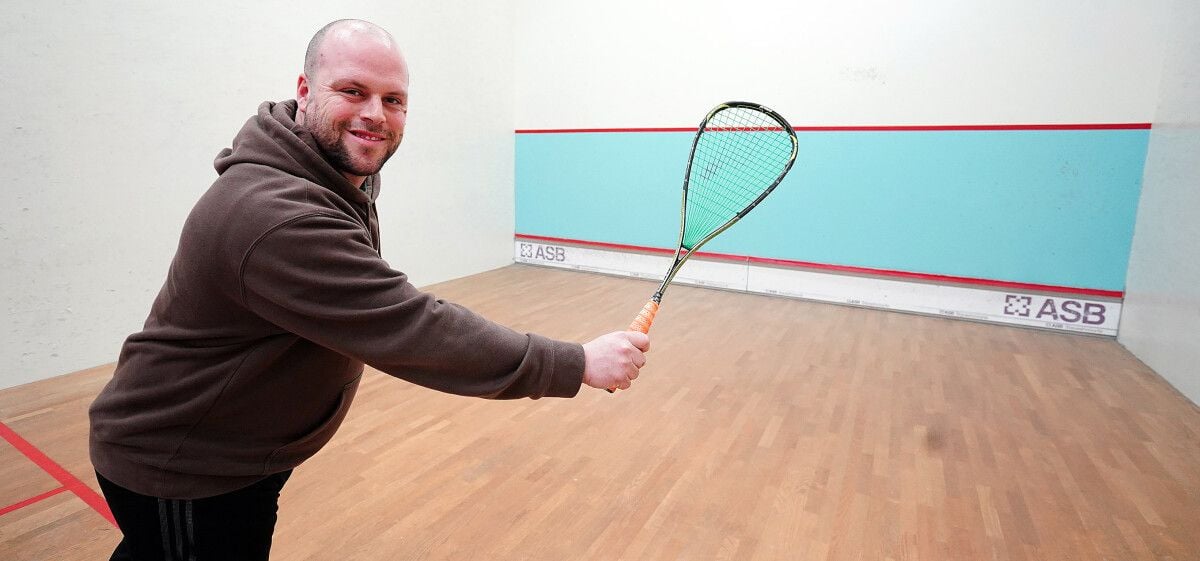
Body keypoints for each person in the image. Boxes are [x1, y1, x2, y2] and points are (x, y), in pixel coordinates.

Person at [88, 19, 649, 561]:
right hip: (186, 466)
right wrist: (576, 363)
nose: (375, 115)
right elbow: (413, 328)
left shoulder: (326, 169)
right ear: (304, 90)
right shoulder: (275, 216)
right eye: (352, 91)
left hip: (233, 452)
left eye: (394, 99)